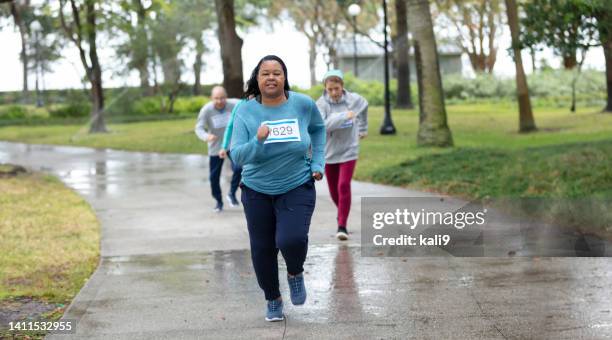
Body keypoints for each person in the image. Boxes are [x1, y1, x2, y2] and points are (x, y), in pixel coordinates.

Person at [230, 55, 325, 322]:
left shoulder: (303, 104)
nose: (271, 77)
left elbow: (318, 129)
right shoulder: (245, 111)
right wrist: (258, 142)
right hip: (256, 190)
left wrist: (318, 162)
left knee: (291, 239)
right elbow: (237, 155)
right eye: (265, 73)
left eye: (277, 73)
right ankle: (273, 298)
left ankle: (295, 272)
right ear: (257, 79)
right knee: (262, 249)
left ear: (284, 78)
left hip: (297, 184)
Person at [316, 69, 368, 241]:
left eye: (336, 88)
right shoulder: (321, 104)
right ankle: (342, 213)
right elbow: (323, 126)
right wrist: (345, 115)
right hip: (329, 152)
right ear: (325, 88)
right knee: (333, 191)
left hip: (349, 149)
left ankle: (342, 225)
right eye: (330, 89)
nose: (334, 92)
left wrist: (362, 128)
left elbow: (364, 105)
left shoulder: (354, 100)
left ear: (342, 86)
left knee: (343, 185)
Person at [195, 86, 242, 212]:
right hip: (215, 146)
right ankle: (219, 201)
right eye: (216, 98)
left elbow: (248, 104)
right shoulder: (206, 110)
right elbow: (198, 128)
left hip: (232, 144)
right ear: (212, 98)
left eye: (222, 98)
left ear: (226, 97)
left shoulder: (234, 104)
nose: (219, 101)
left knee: (238, 168)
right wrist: (206, 136)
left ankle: (231, 193)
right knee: (213, 177)